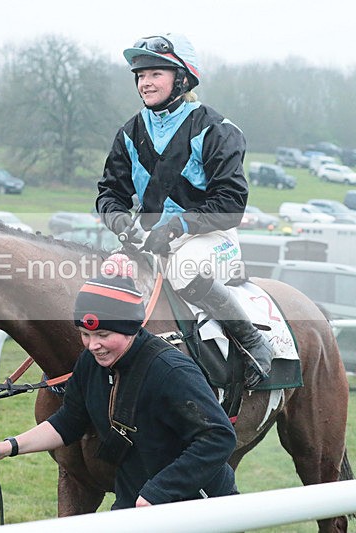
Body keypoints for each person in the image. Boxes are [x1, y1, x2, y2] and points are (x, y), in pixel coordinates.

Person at [0, 268, 238, 509]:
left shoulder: (172, 371)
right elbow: (69, 421)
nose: (92, 345)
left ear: (131, 329)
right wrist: (6, 447)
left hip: (198, 506)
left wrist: (161, 491)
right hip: (134, 501)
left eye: (103, 335)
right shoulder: (90, 362)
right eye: (85, 335)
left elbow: (219, 437)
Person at [95, 33, 272, 388]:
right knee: (102, 279)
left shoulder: (216, 129)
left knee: (183, 270)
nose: (145, 82)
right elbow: (110, 193)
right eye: (140, 75)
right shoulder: (129, 132)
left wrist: (177, 226)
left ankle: (253, 343)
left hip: (211, 237)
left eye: (155, 73)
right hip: (149, 240)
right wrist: (120, 223)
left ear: (183, 77)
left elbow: (231, 204)